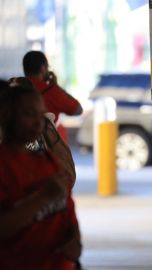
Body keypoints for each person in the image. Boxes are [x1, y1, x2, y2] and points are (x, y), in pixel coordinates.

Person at [0, 85, 81, 269]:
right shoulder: (4, 165)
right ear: (6, 115)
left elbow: (67, 206)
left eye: (41, 115)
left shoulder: (48, 160)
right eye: (29, 114)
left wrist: (75, 238)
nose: (38, 123)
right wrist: (43, 198)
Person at [23, 50, 83, 123]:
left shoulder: (15, 88)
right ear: (43, 68)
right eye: (48, 67)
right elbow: (78, 110)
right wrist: (56, 86)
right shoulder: (50, 91)